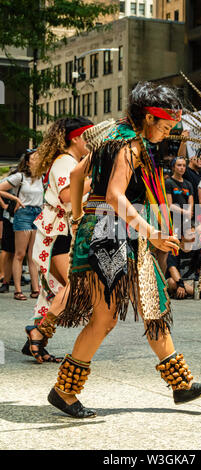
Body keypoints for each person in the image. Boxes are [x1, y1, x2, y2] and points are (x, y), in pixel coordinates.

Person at [26, 82, 201, 418]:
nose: (167, 133)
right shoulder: (129, 145)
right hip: (112, 235)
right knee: (104, 318)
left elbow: (76, 172)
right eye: (166, 126)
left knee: (151, 303)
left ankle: (180, 384)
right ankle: (65, 391)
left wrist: (79, 217)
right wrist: (152, 232)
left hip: (111, 232)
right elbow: (115, 195)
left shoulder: (111, 137)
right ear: (147, 118)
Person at [23, 117, 94, 363]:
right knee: (77, 287)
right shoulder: (65, 161)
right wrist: (94, 182)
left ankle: (36, 340)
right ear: (75, 138)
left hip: (57, 232)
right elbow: (66, 194)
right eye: (89, 136)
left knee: (55, 290)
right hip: (57, 233)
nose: (92, 142)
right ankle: (38, 331)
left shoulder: (69, 161)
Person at [0, 149, 43, 300]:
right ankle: (18, 290)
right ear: (27, 161)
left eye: (39, 157)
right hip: (23, 214)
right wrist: (15, 199)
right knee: (20, 254)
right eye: (34, 157)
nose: (38, 159)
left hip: (38, 215)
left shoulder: (42, 178)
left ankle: (35, 289)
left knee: (33, 255)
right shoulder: (20, 177)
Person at [165, 156, 194, 237]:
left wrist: (189, 212)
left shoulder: (188, 184)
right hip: (173, 220)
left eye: (184, 166)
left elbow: (191, 201)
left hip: (186, 221)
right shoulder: (168, 182)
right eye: (179, 165)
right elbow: (169, 205)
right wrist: (185, 212)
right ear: (173, 167)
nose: (182, 168)